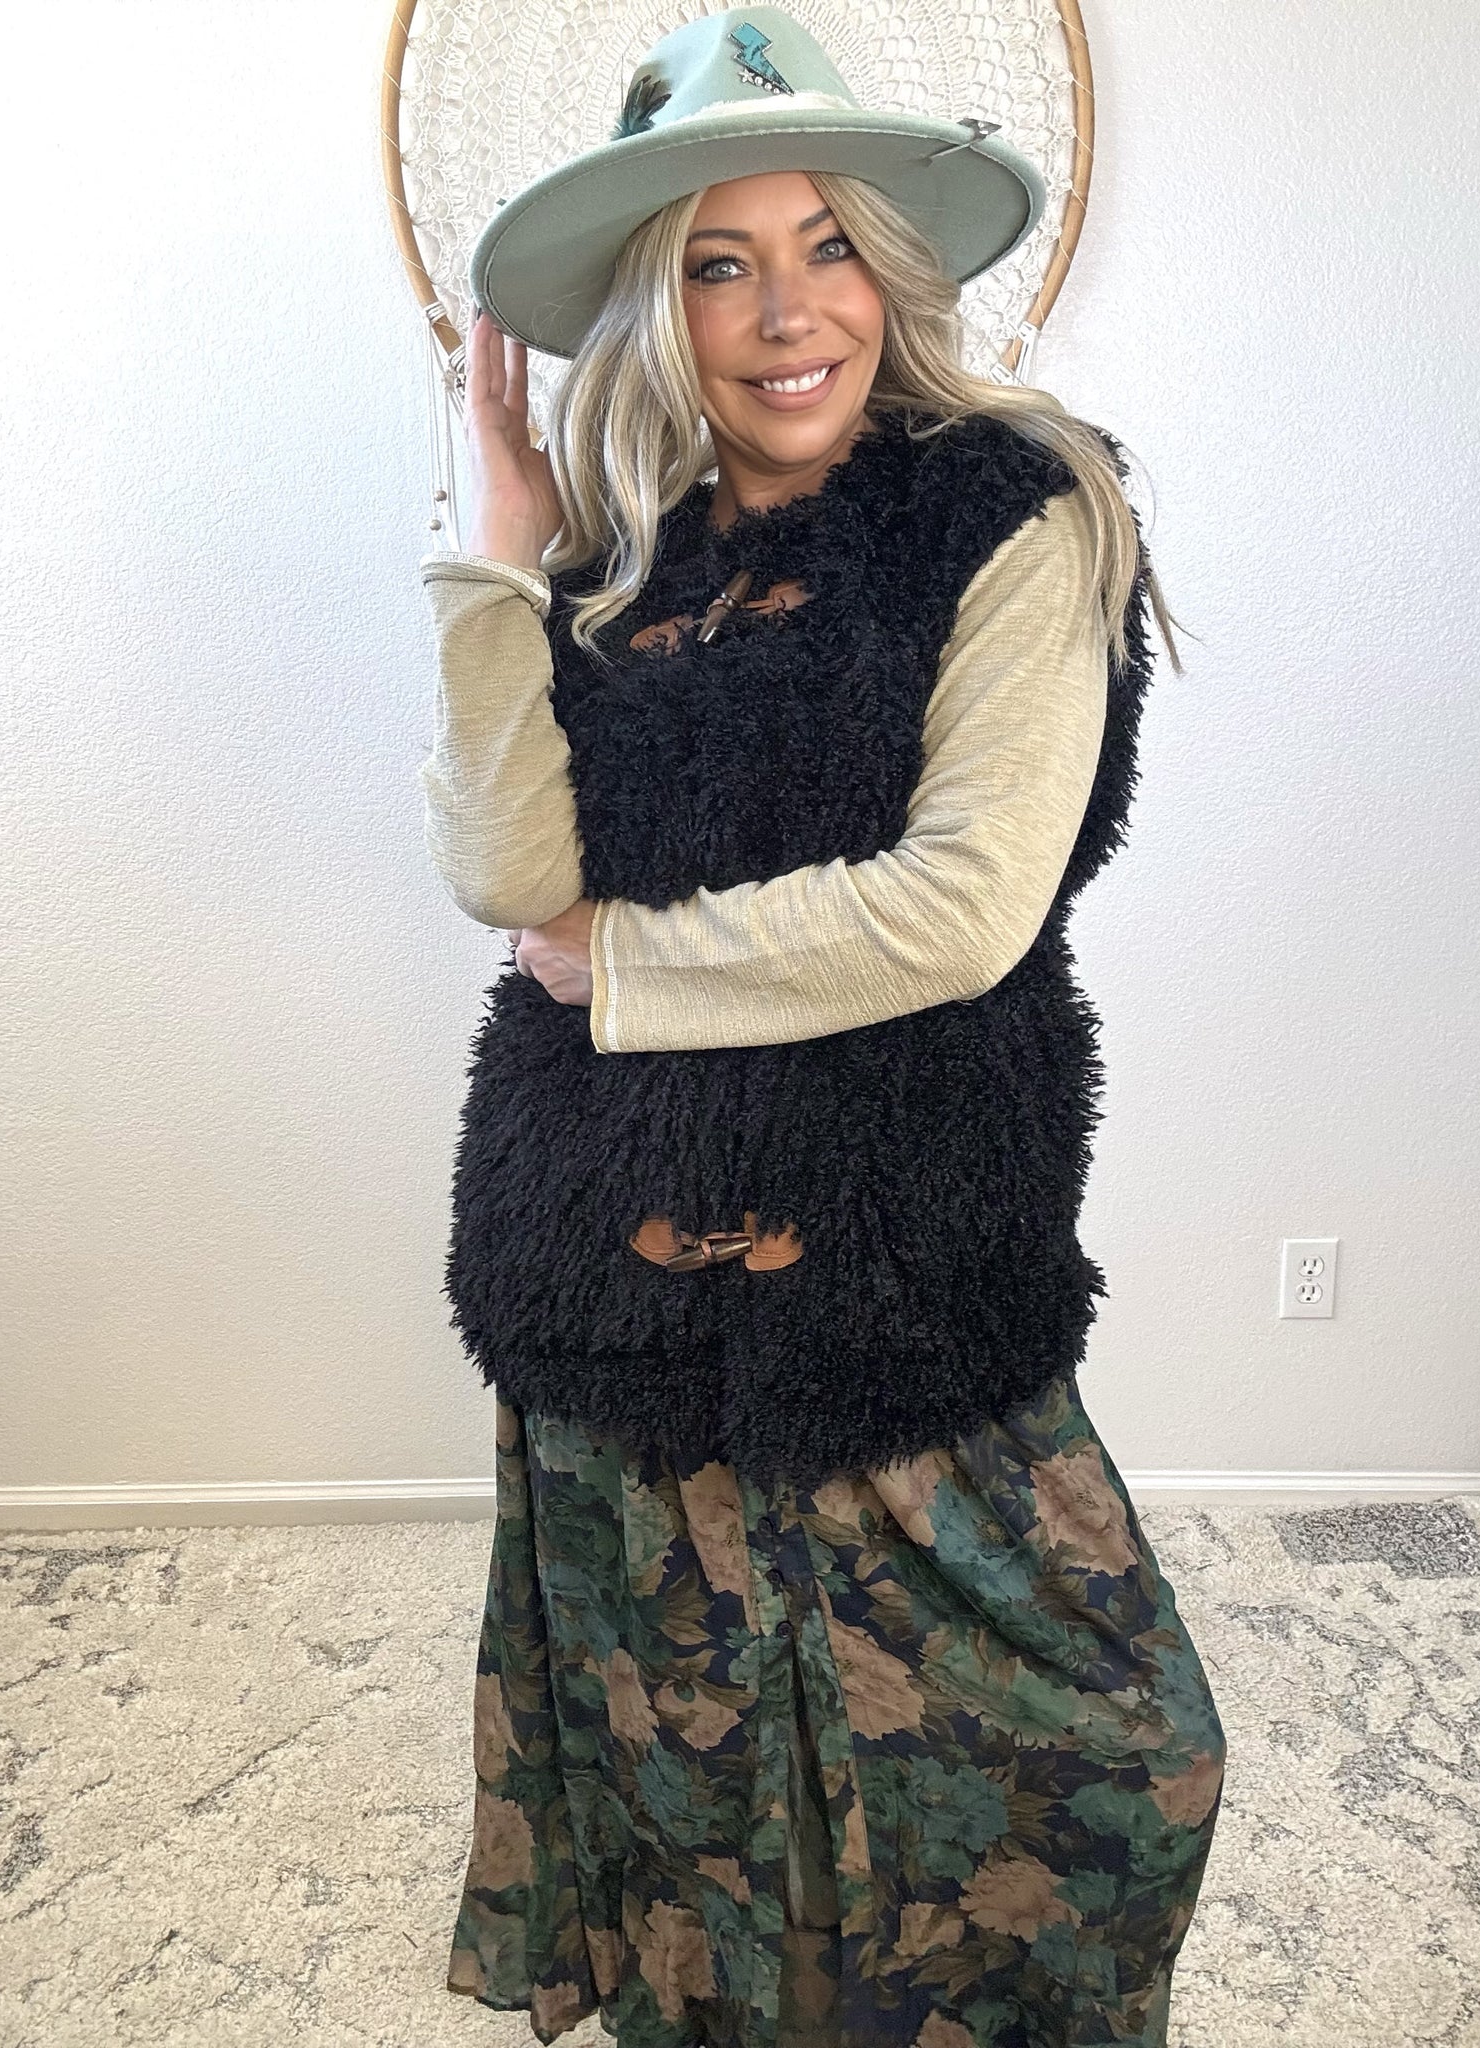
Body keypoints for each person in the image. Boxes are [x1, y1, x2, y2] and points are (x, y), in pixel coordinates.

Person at [417, 9, 1227, 2043]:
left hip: (901, 1257)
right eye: (720, 263)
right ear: (658, 308)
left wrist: (628, 965)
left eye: (830, 245)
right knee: (697, 1814)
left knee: (1128, 1759)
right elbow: (511, 880)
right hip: (606, 1257)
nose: (789, 313)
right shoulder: (618, 546)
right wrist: (495, 561)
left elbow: (965, 902)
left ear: (895, 268)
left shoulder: (1022, 511)